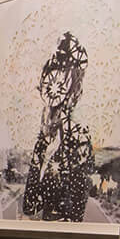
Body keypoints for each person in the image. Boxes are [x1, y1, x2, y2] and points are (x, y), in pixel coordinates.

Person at [21, 31, 95, 222]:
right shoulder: (48, 135)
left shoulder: (78, 134)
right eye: (53, 73)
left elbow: (75, 211)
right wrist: (42, 145)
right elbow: (30, 205)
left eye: (62, 73)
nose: (55, 82)